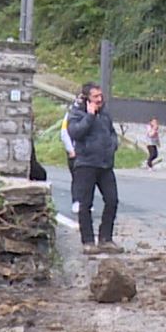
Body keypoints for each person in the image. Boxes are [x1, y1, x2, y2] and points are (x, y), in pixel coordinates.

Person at [66, 83, 122, 254]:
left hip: (105, 164)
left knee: (112, 200)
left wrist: (113, 145)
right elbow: (75, 132)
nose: (99, 99)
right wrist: (89, 117)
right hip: (86, 164)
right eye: (95, 96)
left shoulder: (105, 112)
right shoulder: (76, 113)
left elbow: (112, 132)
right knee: (85, 204)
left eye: (100, 95)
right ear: (86, 98)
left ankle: (106, 238)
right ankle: (88, 241)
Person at [60, 113, 78, 213]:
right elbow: (64, 132)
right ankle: (76, 201)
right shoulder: (70, 114)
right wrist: (70, 149)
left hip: (87, 152)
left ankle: (86, 201)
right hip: (74, 151)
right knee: (76, 177)